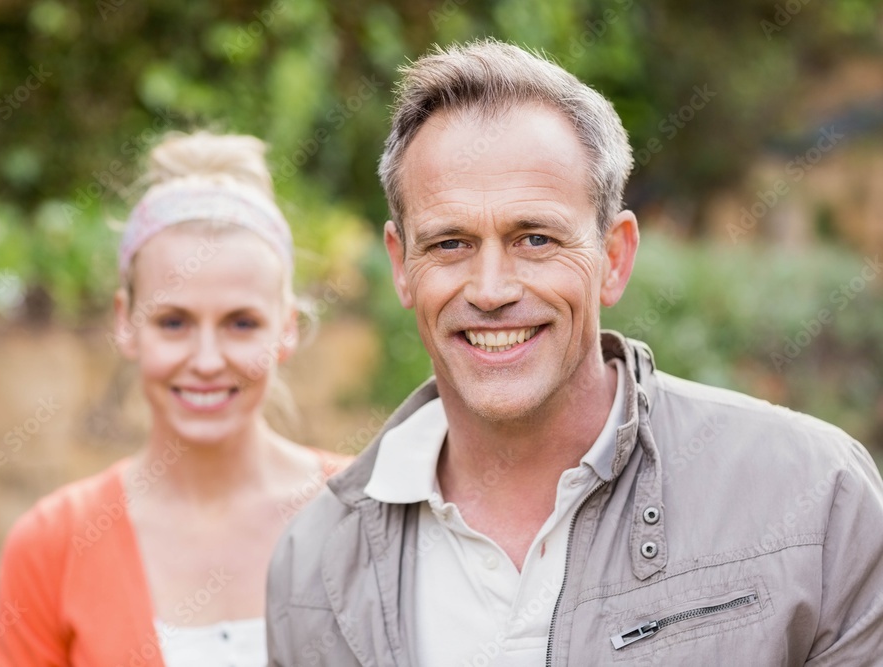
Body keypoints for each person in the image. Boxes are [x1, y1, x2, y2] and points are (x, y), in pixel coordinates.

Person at [266, 40, 883, 665]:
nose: (491, 290)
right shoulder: (314, 566)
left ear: (613, 258)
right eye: (450, 243)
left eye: (535, 238)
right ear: (402, 267)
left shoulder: (811, 497)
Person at [0, 130, 349, 666]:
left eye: (241, 323)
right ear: (126, 322)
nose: (206, 360)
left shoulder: (365, 515)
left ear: (287, 329)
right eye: (174, 321)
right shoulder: (51, 545)